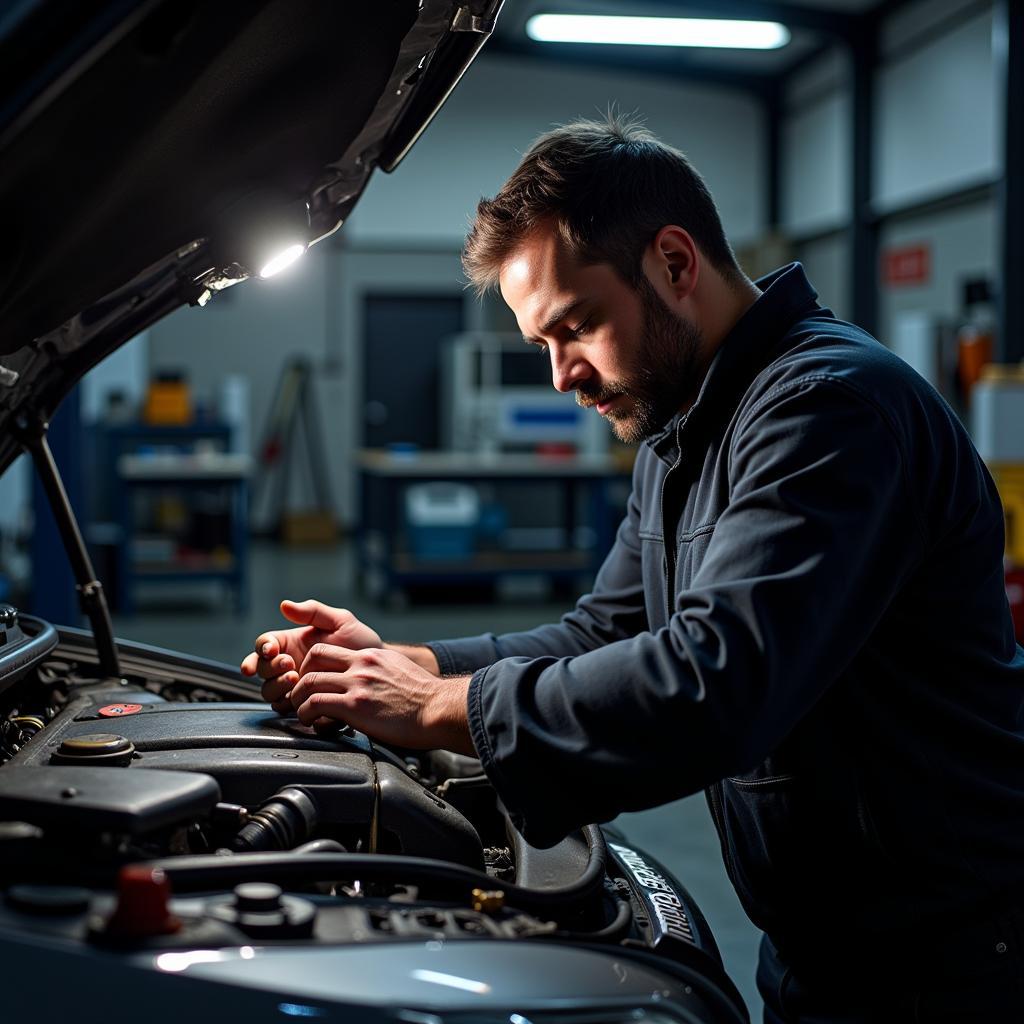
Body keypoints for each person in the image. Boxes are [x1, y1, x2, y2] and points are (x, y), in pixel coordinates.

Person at [241, 115, 1024, 1021]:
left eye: (576, 326)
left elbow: (717, 681)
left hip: (958, 963)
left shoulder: (830, 412)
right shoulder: (681, 420)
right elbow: (606, 631)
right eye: (542, 343)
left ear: (675, 264)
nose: (561, 376)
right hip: (829, 946)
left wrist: (436, 710)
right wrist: (416, 663)